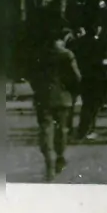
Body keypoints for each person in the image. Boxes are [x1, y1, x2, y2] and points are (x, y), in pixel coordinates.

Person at [29, 24, 82, 182]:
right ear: (61, 39)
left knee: (46, 129)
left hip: (43, 97)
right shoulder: (67, 54)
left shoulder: (39, 54)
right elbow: (76, 77)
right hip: (63, 98)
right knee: (62, 130)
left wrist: (39, 90)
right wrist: (73, 92)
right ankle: (59, 156)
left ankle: (49, 162)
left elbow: (32, 76)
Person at [72, 18, 107, 140]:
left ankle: (85, 129)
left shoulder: (81, 42)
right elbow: (105, 60)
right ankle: (87, 130)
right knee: (93, 105)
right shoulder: (101, 42)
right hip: (97, 77)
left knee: (88, 105)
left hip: (87, 76)